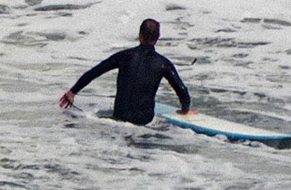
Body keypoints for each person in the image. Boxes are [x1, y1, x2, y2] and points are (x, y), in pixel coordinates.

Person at [59, 18, 192, 126]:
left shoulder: (124, 56)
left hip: (119, 119)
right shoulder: (164, 63)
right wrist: (185, 110)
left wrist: (72, 92)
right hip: (143, 123)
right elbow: (182, 92)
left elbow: (95, 72)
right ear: (158, 37)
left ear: (140, 35)